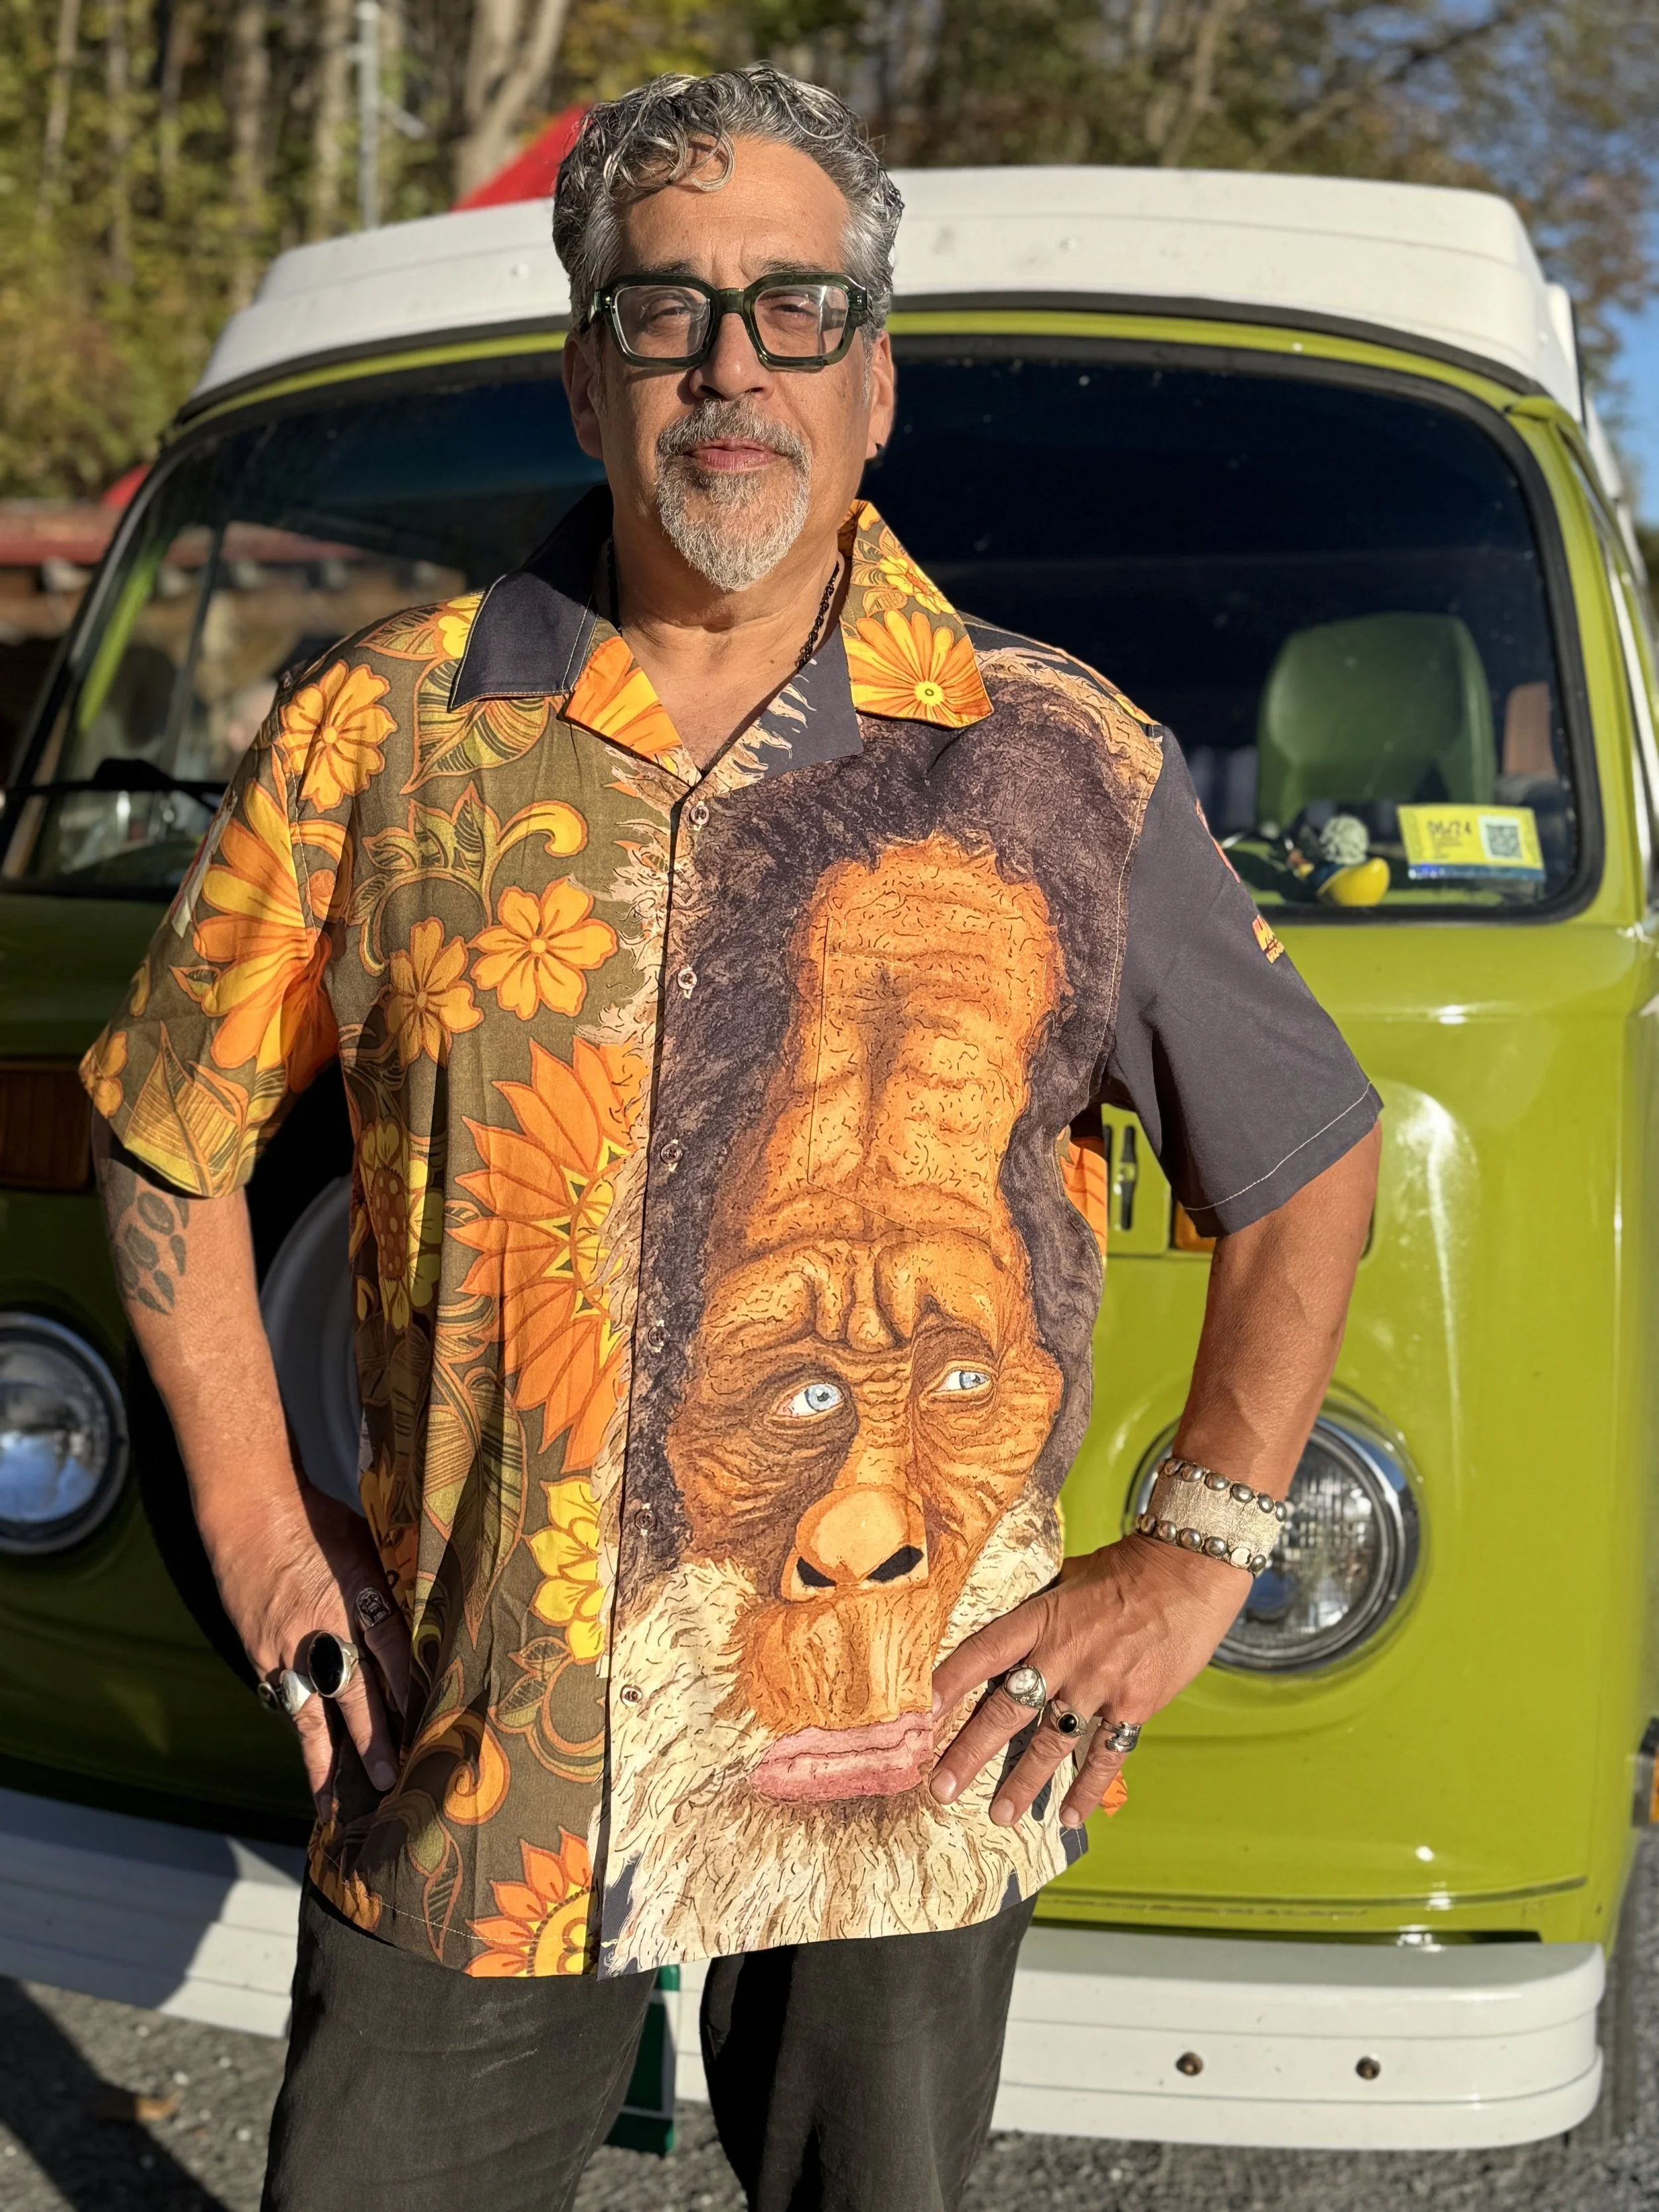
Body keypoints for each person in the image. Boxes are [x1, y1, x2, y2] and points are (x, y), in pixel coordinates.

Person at [83, 64, 1382, 2212]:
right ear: (583, 377)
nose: (727, 366)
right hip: (470, 1744)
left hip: (911, 1734)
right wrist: (250, 1516)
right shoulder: (374, 735)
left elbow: (1303, 1152)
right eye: (661, 309)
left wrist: (1194, 1550)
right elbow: (162, 1134)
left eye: (793, 309)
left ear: (875, 381)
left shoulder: (1058, 759)